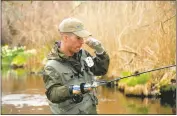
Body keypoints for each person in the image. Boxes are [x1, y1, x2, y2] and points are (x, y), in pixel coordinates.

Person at [42, 17, 110, 114]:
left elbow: (100, 70)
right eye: (78, 38)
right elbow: (53, 94)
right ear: (65, 38)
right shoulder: (51, 66)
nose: (82, 42)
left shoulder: (84, 55)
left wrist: (100, 51)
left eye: (82, 38)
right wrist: (77, 89)